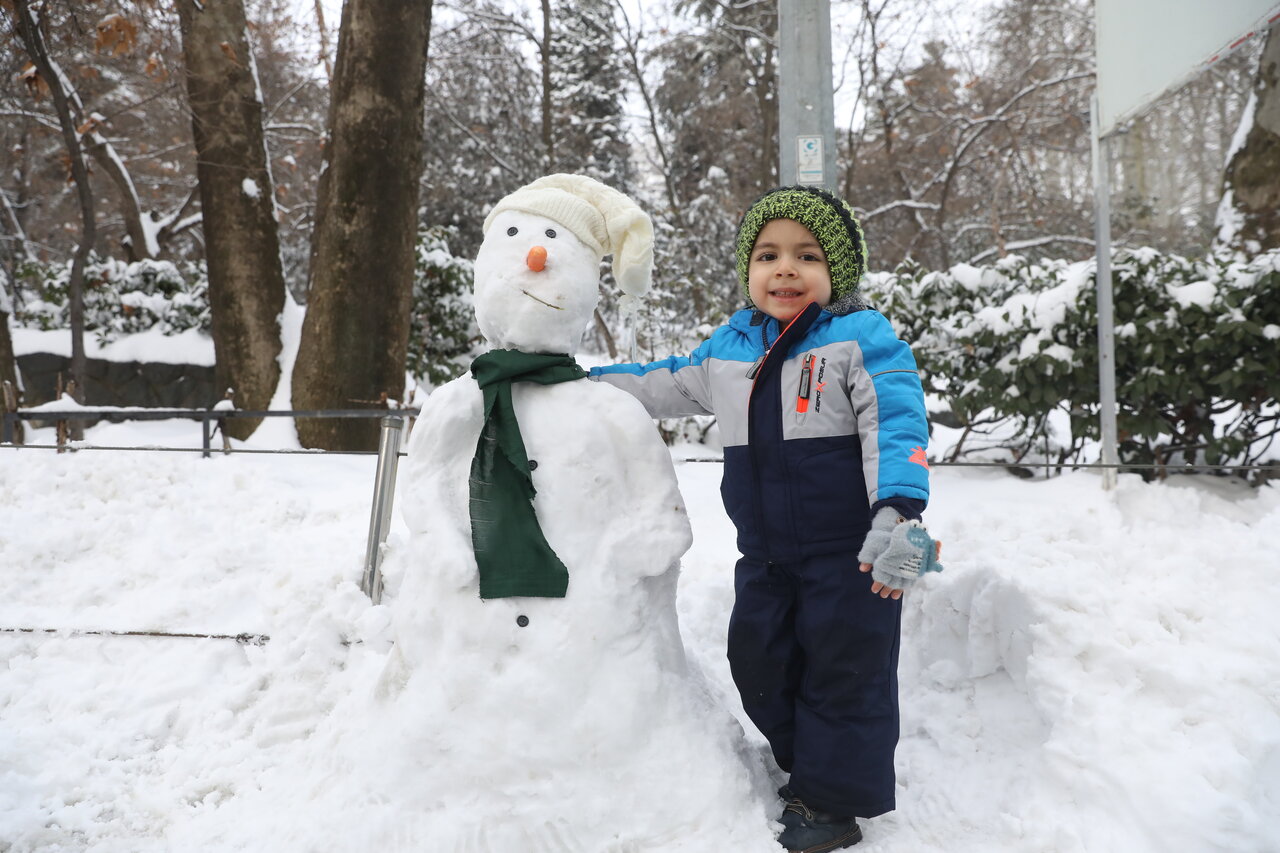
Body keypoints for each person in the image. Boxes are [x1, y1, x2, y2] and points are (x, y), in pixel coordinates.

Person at [589, 185, 941, 853]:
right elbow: (658, 381)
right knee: (758, 659)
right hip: (767, 554)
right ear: (748, 269)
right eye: (768, 255)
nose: (784, 269)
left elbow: (899, 425)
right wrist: (573, 381)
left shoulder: (859, 338)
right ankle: (808, 758)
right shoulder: (728, 349)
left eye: (806, 256)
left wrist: (899, 518)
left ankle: (831, 801)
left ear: (836, 272)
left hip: (856, 551)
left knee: (847, 670)